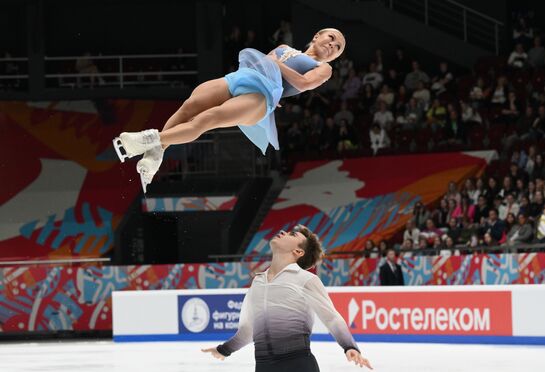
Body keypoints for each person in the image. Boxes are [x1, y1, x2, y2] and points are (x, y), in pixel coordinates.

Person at [113, 28, 346, 192]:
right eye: (332, 38)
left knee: (207, 118)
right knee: (190, 106)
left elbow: (304, 84)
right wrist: (275, 65)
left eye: (337, 48)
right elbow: (262, 64)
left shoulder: (323, 68)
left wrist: (276, 68)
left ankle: (146, 140)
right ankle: (155, 155)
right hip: (242, 78)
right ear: (317, 36)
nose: (333, 46)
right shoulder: (284, 47)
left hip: (260, 96)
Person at [202, 225, 373, 370]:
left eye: (292, 234)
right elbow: (248, 330)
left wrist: (349, 346)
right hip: (263, 367)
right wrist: (224, 349)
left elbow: (332, 317)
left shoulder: (306, 279)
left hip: (298, 365)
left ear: (298, 251)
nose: (283, 231)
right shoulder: (257, 282)